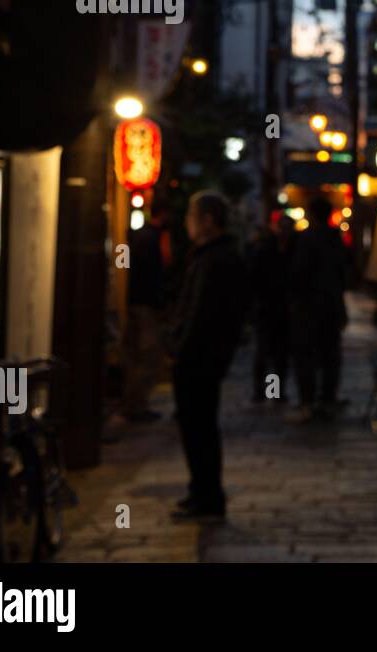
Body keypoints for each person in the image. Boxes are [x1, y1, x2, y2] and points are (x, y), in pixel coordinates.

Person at [167, 191, 246, 522]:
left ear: (208, 221)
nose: (187, 223)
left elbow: (200, 313)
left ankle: (207, 496)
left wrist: (179, 349)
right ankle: (202, 490)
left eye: (191, 216)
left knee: (198, 427)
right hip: (208, 356)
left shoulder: (215, 259)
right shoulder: (215, 255)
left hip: (200, 358)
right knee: (199, 426)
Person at [286, 196, 348, 424]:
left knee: (306, 355)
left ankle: (309, 402)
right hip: (331, 305)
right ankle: (327, 400)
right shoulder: (335, 239)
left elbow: (298, 273)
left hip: (308, 307)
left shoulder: (306, 239)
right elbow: (343, 274)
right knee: (330, 355)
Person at [121, 201, 168, 422]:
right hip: (144, 305)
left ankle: (134, 403)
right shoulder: (149, 239)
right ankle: (136, 405)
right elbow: (149, 275)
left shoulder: (139, 237)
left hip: (136, 302)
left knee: (136, 355)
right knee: (147, 356)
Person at [250, 214, 292, 404]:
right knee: (264, 352)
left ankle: (273, 392)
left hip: (283, 309)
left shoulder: (293, 250)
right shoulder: (265, 250)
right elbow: (254, 278)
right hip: (266, 308)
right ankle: (263, 391)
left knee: (279, 355)